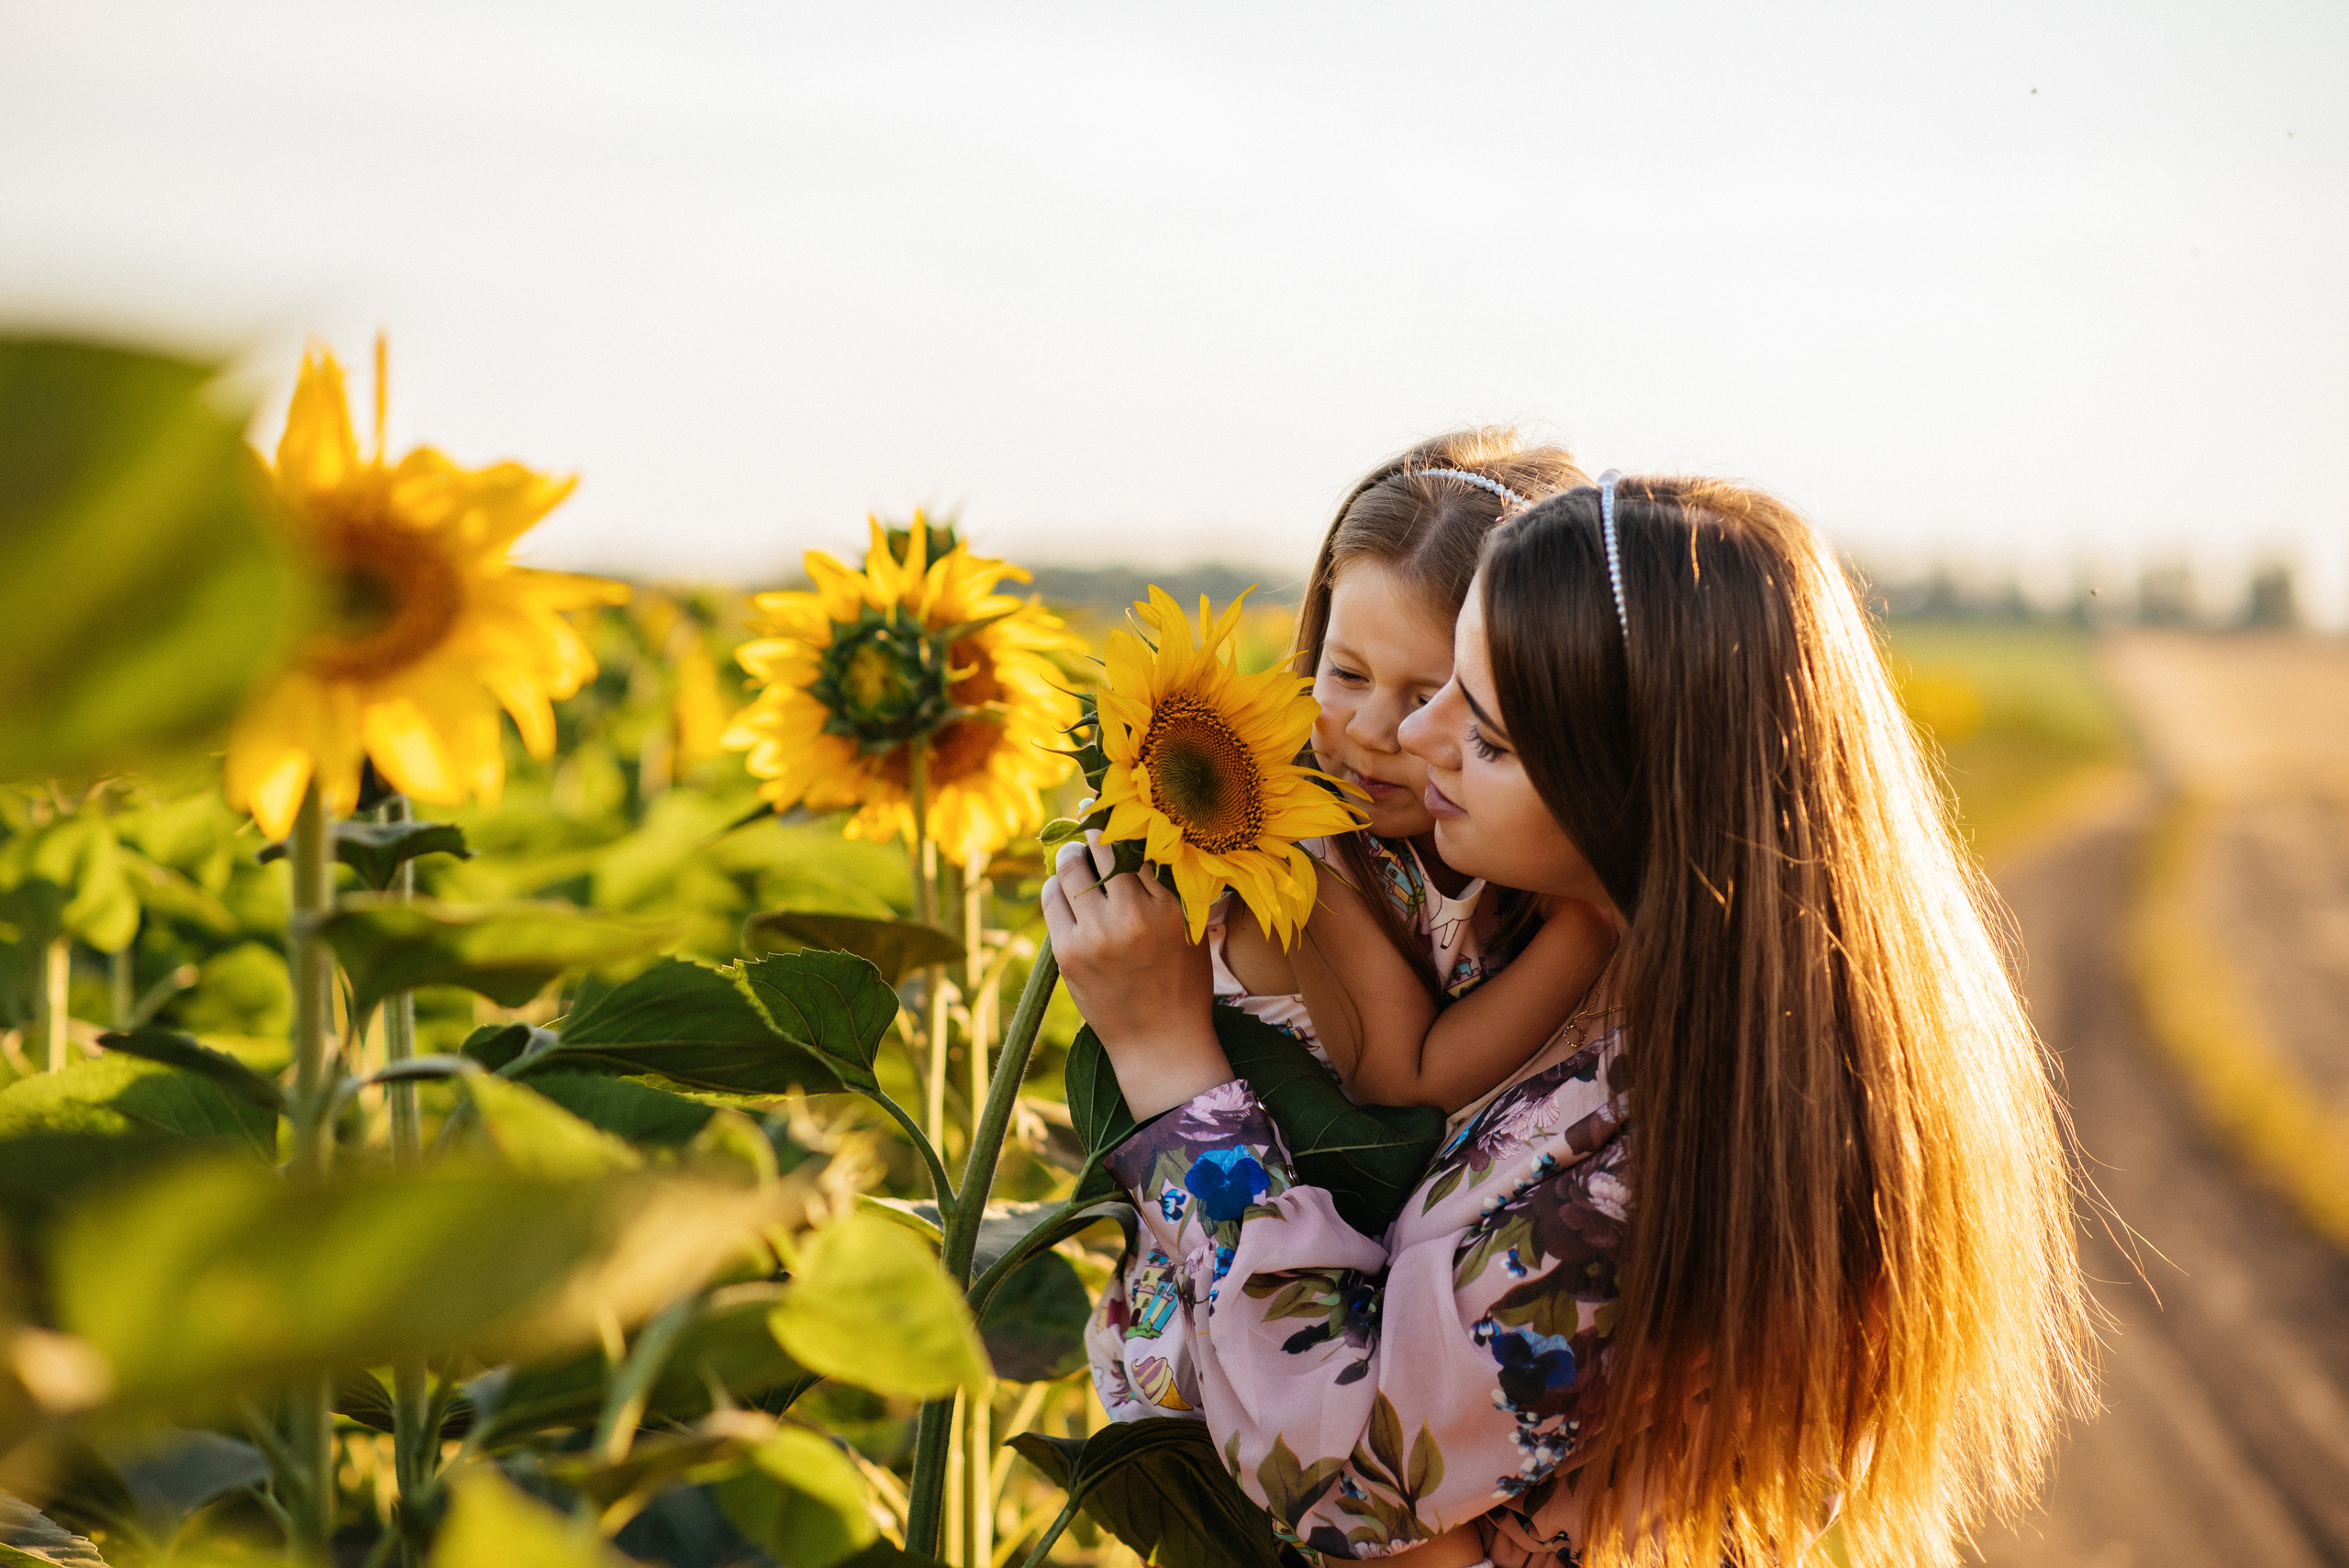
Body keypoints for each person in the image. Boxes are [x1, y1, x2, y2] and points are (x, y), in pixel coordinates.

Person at [1043, 473, 2091, 1566]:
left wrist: (1170, 1066)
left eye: (1488, 734)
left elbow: (1344, 1463)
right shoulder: (1694, 1019)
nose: (1419, 734)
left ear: (1634, 787)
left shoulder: (1685, 1154)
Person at [1085, 430, 1618, 1424]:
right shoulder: (1299, 842)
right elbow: (1400, 1076)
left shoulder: (1482, 849)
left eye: (1431, 694)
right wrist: (1592, 917)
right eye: (1347, 673)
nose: (1376, 731)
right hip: (1231, 1332)